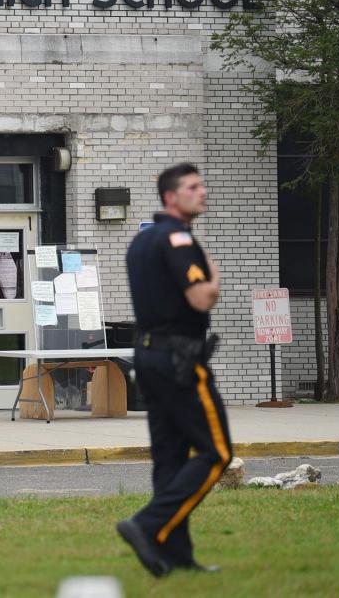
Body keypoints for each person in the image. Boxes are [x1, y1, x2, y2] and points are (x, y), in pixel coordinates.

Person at [117, 163, 231, 577]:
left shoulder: (141, 241)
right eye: (193, 187)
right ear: (171, 197)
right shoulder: (180, 239)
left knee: (170, 458)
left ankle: (174, 555)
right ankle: (147, 525)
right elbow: (202, 298)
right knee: (216, 452)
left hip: (147, 357)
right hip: (180, 360)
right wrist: (213, 271)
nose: (203, 192)